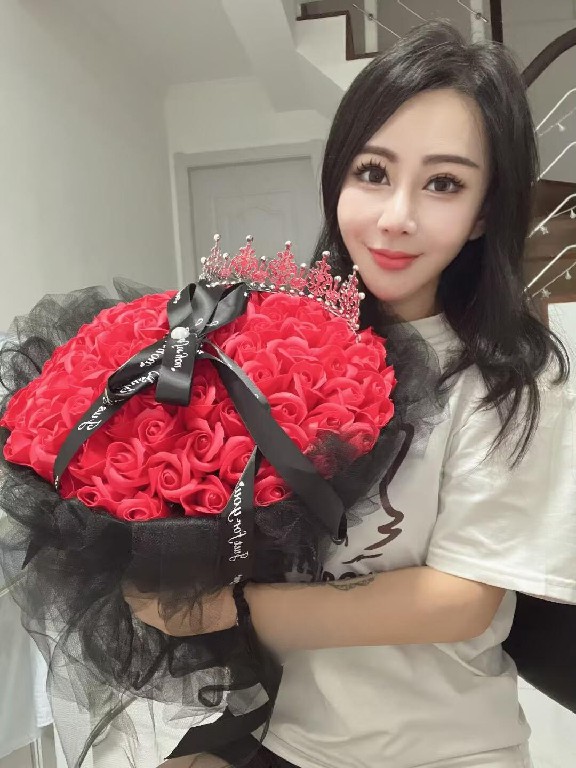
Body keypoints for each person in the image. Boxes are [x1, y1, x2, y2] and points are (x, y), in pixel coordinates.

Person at [127, 20, 576, 768]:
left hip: (446, 751)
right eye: (373, 172)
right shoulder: (274, 347)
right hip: (284, 733)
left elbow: (461, 601)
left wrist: (229, 609)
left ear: (483, 213)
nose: (397, 217)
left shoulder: (513, 377)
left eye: (444, 183)